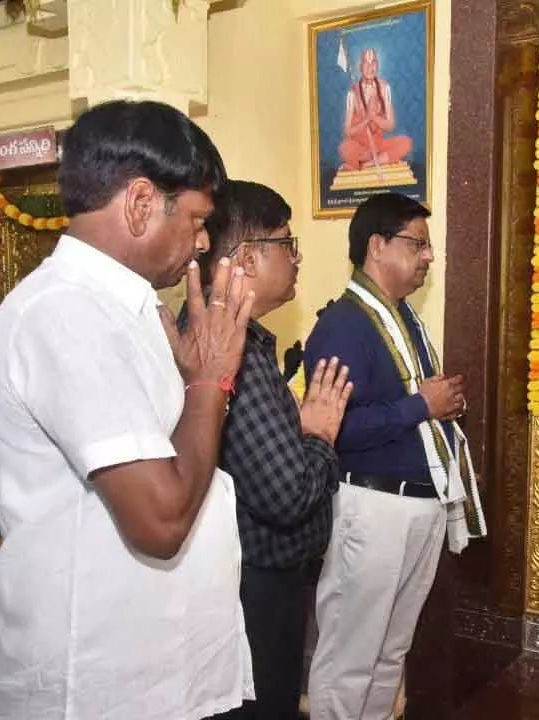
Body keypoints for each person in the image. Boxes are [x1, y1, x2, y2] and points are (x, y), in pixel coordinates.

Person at [0, 100, 254, 720]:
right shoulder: (66, 314)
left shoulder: (120, 310)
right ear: (139, 204)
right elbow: (160, 521)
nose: (204, 241)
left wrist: (194, 387)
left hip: (155, 670)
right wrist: (210, 385)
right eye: (197, 219)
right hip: (98, 686)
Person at [304, 192, 486, 720]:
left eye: (429, 248)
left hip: (420, 506)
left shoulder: (405, 319)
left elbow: (412, 407)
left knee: (389, 655)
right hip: (373, 506)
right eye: (418, 244)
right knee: (350, 658)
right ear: (377, 246)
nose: (429, 257)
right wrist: (420, 406)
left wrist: (438, 405)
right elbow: (335, 429)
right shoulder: (344, 324)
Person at [192, 180, 353, 720]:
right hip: (254, 591)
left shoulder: (236, 342)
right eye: (287, 243)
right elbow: (288, 494)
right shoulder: (239, 356)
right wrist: (319, 435)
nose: (298, 255)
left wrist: (298, 430)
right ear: (246, 260)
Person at [338, 48, 413, 173]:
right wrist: (366, 119)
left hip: (378, 146)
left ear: (377, 66)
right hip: (361, 147)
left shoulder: (384, 88)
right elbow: (347, 131)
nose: (370, 67)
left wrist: (374, 117)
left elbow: (390, 125)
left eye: (373, 62)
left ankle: (368, 165)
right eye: (366, 63)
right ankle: (376, 160)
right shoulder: (352, 93)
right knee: (345, 148)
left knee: (406, 143)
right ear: (360, 67)